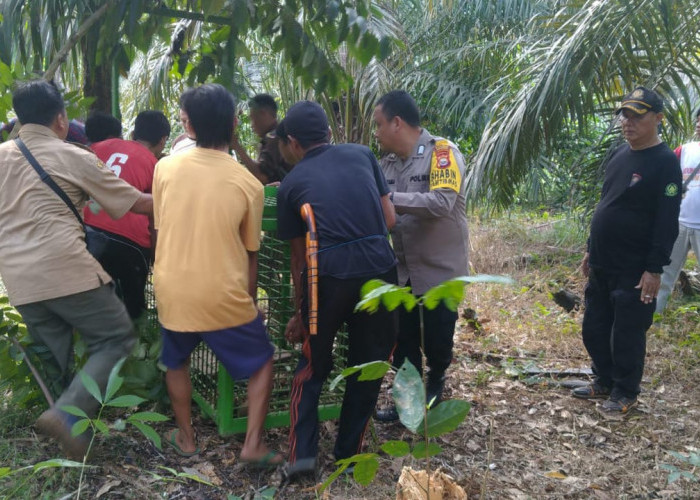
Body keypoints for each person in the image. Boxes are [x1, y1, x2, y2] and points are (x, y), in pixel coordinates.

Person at [0, 80, 153, 459]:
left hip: (19, 279)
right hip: (65, 268)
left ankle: (69, 442)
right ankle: (67, 421)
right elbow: (136, 204)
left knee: (56, 358)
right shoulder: (72, 155)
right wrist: (186, 193)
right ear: (61, 119)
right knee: (116, 337)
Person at [152, 84, 281, 465]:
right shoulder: (247, 183)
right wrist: (253, 305)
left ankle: (187, 438)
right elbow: (250, 254)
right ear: (234, 124)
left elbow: (160, 232)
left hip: (172, 287)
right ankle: (252, 445)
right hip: (222, 293)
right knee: (262, 361)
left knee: (175, 361)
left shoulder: (165, 168)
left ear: (187, 125)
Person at [276, 101, 398, 479]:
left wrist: (300, 314)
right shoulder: (363, 155)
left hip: (327, 279)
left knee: (312, 367)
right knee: (367, 366)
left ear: (293, 142)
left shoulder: (291, 184)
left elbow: (300, 262)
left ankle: (301, 464)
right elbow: (390, 219)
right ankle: (349, 457)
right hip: (381, 271)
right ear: (329, 134)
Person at [573, 86, 682, 414]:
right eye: (625, 114)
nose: (627, 122)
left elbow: (667, 221)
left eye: (637, 115)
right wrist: (591, 249)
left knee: (627, 333)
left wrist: (654, 268)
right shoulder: (620, 154)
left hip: (635, 268)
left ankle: (625, 391)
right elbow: (606, 202)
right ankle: (603, 379)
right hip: (604, 261)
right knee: (594, 327)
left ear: (658, 118)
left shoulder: (665, 164)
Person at [372, 90, 470, 422]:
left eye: (379, 124)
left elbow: (442, 202)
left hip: (439, 269)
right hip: (402, 269)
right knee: (404, 338)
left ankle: (437, 382)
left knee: (438, 337)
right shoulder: (384, 164)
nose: (376, 132)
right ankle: (410, 402)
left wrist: (388, 198)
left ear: (397, 123)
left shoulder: (442, 153)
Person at [83, 110, 171, 319]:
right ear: (163, 140)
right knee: (129, 315)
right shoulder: (155, 165)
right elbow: (154, 218)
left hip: (86, 234)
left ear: (133, 133)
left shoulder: (96, 148)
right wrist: (157, 261)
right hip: (130, 243)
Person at [655, 107, 700, 312]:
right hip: (679, 223)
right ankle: (653, 317)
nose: (699, 124)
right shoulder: (684, 150)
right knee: (664, 273)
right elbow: (665, 175)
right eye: (698, 120)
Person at [232, 93, 292, 184]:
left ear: (263, 113)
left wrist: (236, 146)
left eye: (253, 119)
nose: (252, 126)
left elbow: (262, 176)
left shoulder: (274, 139)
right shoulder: (276, 135)